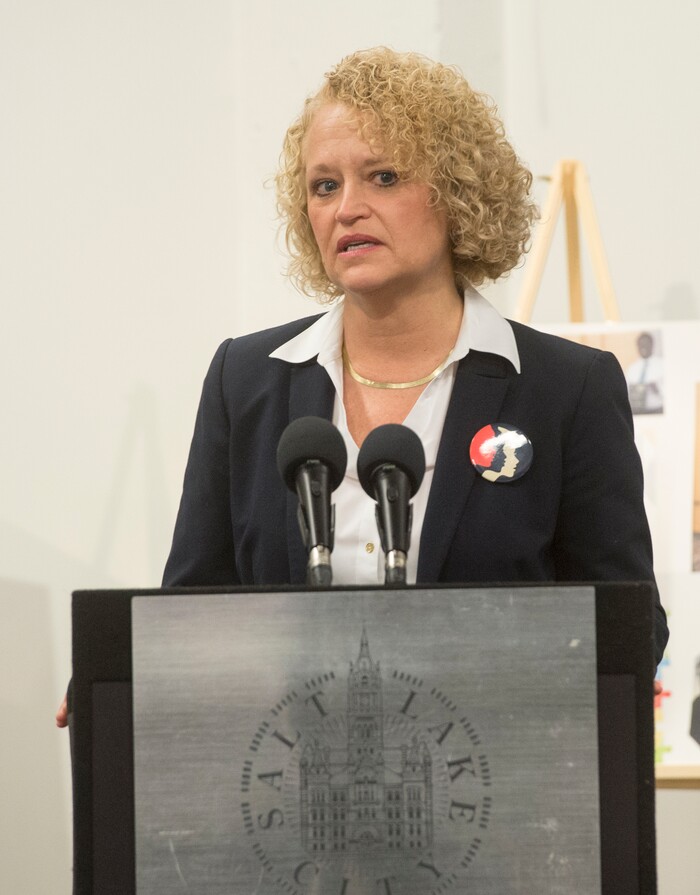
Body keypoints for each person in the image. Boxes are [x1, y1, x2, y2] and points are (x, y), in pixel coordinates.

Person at [55, 48, 666, 729]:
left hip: (495, 793)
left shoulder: (564, 389)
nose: (348, 208)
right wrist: (127, 674)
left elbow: (629, 632)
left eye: (383, 176)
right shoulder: (246, 380)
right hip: (285, 799)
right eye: (324, 186)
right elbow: (194, 606)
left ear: (456, 190)